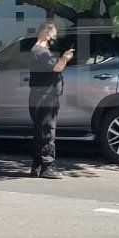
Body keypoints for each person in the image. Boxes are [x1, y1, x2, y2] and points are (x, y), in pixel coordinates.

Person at [28, 21, 75, 178]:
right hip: (45, 97)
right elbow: (57, 67)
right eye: (54, 35)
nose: (56, 39)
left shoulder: (38, 50)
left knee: (39, 132)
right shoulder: (40, 51)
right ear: (46, 35)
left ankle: (37, 166)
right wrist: (65, 58)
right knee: (48, 131)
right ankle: (47, 166)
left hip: (39, 96)